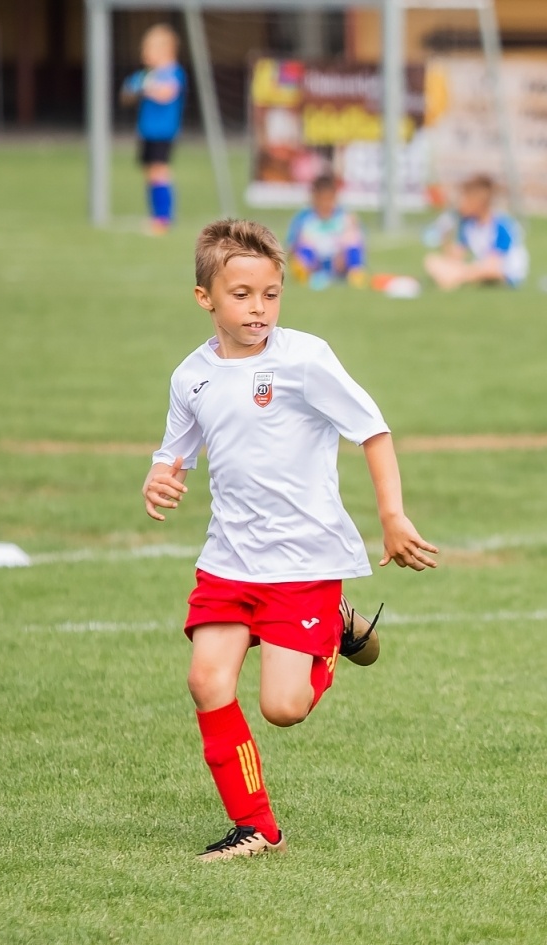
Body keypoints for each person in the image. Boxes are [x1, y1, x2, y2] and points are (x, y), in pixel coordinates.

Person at [142, 219, 437, 861]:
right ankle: (258, 828)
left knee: (284, 707)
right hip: (229, 560)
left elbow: (372, 430)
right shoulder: (190, 377)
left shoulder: (304, 359)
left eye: (271, 294)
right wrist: (159, 481)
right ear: (205, 298)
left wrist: (392, 515)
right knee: (206, 680)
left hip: (302, 562)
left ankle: (331, 623)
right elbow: (174, 455)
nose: (259, 308)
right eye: (243, 294)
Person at [120, 23, 186, 234]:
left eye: (148, 49)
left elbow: (167, 94)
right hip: (146, 131)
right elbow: (126, 96)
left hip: (163, 133)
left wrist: (147, 87)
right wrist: (133, 88)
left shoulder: (173, 73)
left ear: (164, 50)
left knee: (160, 172)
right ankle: (155, 215)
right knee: (150, 173)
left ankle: (164, 217)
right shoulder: (148, 74)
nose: (144, 54)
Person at [424, 174, 528, 290]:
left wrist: (465, 270)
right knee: (431, 260)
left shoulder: (501, 225)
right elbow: (456, 257)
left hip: (504, 273)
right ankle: (455, 277)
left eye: (464, 199)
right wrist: (444, 236)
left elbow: (494, 263)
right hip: (480, 268)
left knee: (486, 269)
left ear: (478, 202)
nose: (460, 204)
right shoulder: (468, 225)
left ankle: (455, 278)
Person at [286, 175, 369, 289]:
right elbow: (291, 245)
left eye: (329, 199)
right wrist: (296, 255)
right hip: (316, 261)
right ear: (314, 198)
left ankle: (355, 273)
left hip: (338, 260)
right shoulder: (304, 218)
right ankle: (302, 271)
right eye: (322, 200)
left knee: (352, 244)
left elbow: (359, 242)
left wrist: (342, 254)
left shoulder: (345, 217)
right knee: (304, 248)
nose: (325, 204)